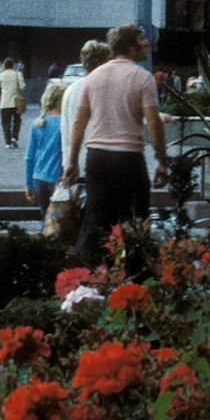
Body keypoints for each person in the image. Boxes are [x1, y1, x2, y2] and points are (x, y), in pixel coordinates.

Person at [63, 25, 167, 271]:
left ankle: (89, 273)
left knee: (96, 217)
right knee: (135, 219)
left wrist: (71, 161)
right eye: (141, 39)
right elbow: (153, 121)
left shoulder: (94, 77)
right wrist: (162, 160)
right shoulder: (143, 78)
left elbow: (79, 121)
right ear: (129, 45)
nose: (146, 44)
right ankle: (133, 274)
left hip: (97, 158)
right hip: (129, 158)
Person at [24, 82, 68, 216]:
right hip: (58, 178)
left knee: (45, 219)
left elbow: (29, 157)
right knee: (60, 222)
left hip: (38, 178)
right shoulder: (66, 123)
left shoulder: (37, 123)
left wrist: (28, 185)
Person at [0, 58, 26, 148]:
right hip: (16, 100)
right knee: (17, 120)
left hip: (5, 101)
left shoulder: (1, 75)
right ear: (13, 65)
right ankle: (14, 136)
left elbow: (0, 87)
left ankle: (7, 142)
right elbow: (22, 87)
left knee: (5, 122)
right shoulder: (18, 74)